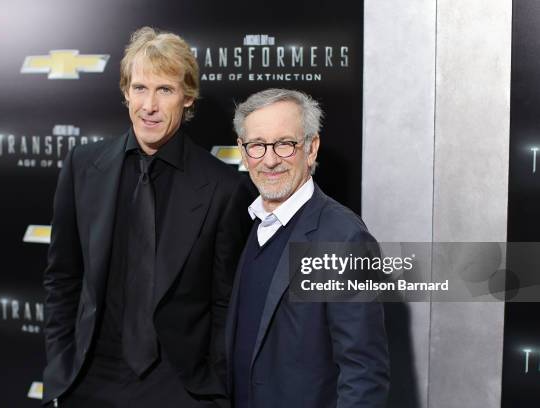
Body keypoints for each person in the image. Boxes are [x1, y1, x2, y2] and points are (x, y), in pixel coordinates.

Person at [43, 26, 250, 407]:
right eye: (139, 88)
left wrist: (213, 392)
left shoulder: (223, 188)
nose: (149, 106)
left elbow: (226, 305)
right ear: (125, 92)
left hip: (177, 386)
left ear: (187, 98)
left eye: (165, 90)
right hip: (89, 381)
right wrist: (60, 372)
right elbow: (63, 278)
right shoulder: (83, 166)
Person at [225, 89, 390, 408]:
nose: (270, 160)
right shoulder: (254, 224)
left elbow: (364, 374)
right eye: (258, 145)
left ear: (311, 148)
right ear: (244, 154)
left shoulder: (342, 238)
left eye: (285, 144)